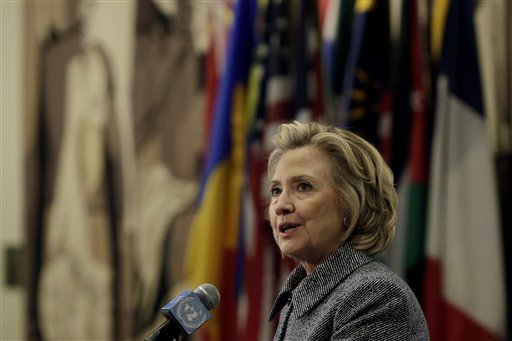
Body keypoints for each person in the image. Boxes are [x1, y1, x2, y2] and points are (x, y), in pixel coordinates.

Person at [267, 121, 429, 340]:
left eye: (303, 186)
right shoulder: (298, 299)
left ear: (350, 205)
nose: (280, 205)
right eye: (276, 190)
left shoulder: (374, 295)